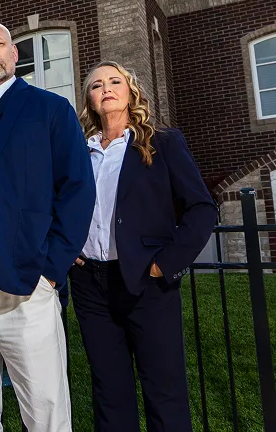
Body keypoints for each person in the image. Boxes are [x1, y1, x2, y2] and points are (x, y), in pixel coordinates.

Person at [0, 19, 96, 432]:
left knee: (45, 406)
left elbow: (78, 190)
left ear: (14, 55)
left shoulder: (50, 110)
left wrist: (51, 269)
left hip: (27, 281)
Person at [70, 61, 216, 432]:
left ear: (131, 91)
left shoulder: (162, 143)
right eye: (96, 84)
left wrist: (163, 265)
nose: (106, 88)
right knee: (110, 393)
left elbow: (201, 209)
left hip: (147, 282)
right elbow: (60, 204)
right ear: (88, 99)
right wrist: (68, 246)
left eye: (115, 81)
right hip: (90, 285)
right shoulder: (77, 152)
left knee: (164, 391)